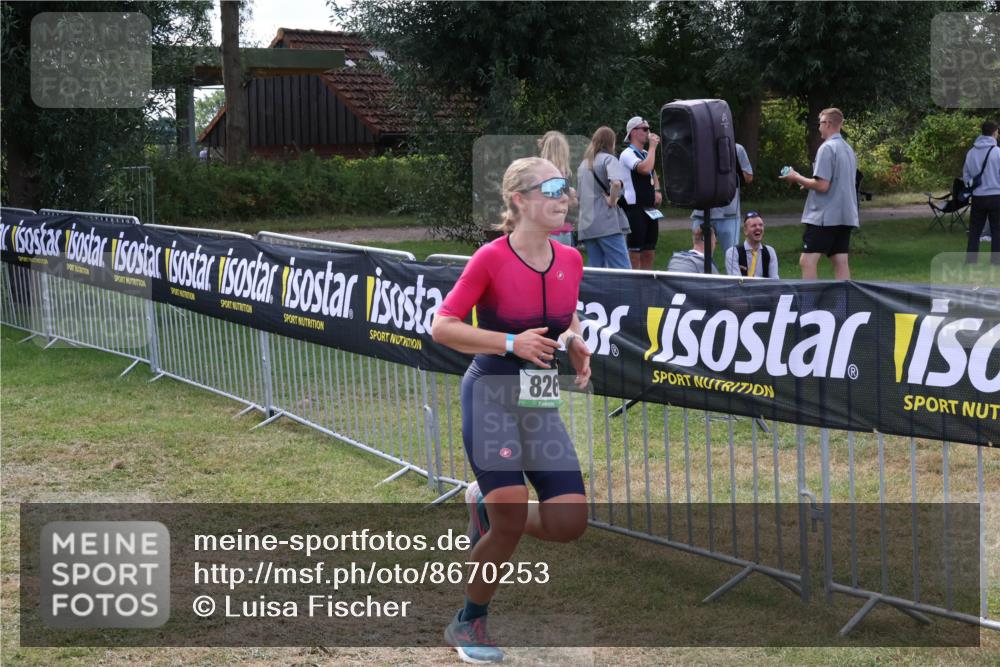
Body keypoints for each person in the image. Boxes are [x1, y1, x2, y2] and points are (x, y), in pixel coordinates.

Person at [431, 156, 591, 664]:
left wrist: (575, 339)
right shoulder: (490, 258)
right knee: (509, 515)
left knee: (569, 522)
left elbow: (567, 318)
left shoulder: (571, 259)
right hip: (491, 393)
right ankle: (468, 622)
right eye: (551, 188)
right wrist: (507, 342)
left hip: (538, 394)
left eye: (565, 188)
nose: (562, 197)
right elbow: (443, 326)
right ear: (519, 200)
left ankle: (485, 504)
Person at [779, 107, 858, 280]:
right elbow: (835, 183)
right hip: (846, 215)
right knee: (840, 261)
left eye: (820, 123)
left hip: (825, 217)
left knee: (807, 261)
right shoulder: (848, 149)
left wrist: (796, 177)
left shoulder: (827, 148)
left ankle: (810, 305)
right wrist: (808, 184)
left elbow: (822, 185)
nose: (819, 127)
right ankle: (844, 306)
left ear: (828, 124)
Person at [576, 126, 632, 269]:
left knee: (596, 268)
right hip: (606, 223)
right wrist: (612, 201)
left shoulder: (584, 164)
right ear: (611, 142)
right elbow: (616, 183)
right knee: (622, 268)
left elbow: (578, 195)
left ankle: (595, 293)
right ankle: (625, 292)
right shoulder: (609, 159)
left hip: (587, 224)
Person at [691, 142, 754, 256]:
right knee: (700, 256)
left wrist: (730, 170)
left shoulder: (736, 149)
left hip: (728, 214)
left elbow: (749, 177)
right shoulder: (699, 145)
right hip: (701, 212)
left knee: (732, 257)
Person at [619, 116, 663, 270]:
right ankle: (634, 284)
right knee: (635, 251)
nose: (648, 132)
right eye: (645, 129)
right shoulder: (627, 154)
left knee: (649, 250)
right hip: (635, 208)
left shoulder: (645, 153)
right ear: (633, 132)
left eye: (648, 129)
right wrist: (652, 147)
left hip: (650, 208)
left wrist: (657, 190)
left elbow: (653, 171)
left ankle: (646, 285)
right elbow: (644, 169)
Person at [963, 120, 1000, 264]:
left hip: (978, 197)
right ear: (994, 132)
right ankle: (996, 261)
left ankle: (971, 261)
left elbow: (966, 176)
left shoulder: (971, 152)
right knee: (997, 230)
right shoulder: (997, 152)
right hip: (996, 196)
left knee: (974, 231)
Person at [538, 131, 578, 247]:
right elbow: (566, 202)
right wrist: (571, 194)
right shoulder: (560, 175)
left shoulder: (539, 172)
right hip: (559, 229)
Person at [725, 211, 779, 278]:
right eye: (754, 226)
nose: (758, 228)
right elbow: (736, 282)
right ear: (745, 231)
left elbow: (775, 281)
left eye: (760, 225)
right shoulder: (733, 253)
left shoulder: (770, 251)